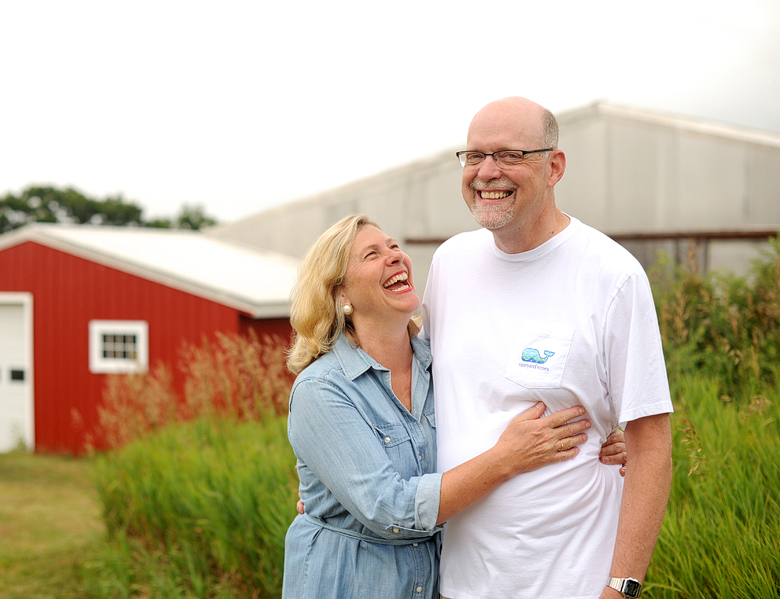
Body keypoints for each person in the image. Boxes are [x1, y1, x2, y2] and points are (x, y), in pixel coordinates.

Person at [282, 214, 625, 599]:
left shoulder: (440, 365)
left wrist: (601, 439)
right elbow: (389, 510)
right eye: (372, 255)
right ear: (340, 295)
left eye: (394, 246)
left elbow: (496, 413)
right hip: (348, 584)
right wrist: (507, 457)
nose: (395, 257)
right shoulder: (322, 389)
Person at [420, 97, 673, 599]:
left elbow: (650, 443)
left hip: (569, 583)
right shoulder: (450, 264)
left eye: (509, 155)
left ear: (554, 166)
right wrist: (335, 478)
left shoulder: (611, 275)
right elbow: (411, 397)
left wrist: (620, 588)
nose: (486, 172)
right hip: (455, 583)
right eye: (474, 156)